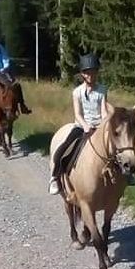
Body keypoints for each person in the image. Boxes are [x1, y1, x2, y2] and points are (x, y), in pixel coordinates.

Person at [48, 53, 109, 195]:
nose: (90, 76)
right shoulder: (77, 92)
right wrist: (86, 126)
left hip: (99, 126)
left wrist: (105, 124)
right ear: (82, 74)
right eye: (87, 73)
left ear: (97, 72)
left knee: (117, 145)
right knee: (64, 148)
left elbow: (104, 111)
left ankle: (128, 175)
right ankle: (55, 177)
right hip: (82, 127)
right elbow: (78, 114)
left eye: (93, 72)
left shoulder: (102, 90)